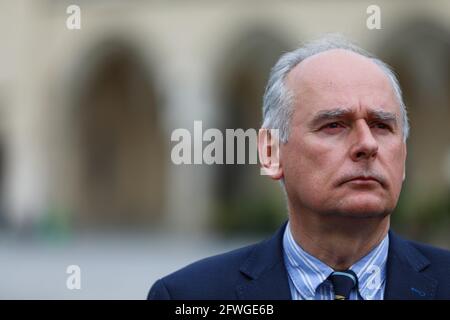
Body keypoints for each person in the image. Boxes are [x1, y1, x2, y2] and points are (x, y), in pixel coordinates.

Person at [148, 34, 450, 300]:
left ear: (404, 155)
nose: (367, 144)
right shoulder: (188, 297)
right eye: (334, 125)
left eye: (382, 126)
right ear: (271, 152)